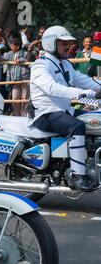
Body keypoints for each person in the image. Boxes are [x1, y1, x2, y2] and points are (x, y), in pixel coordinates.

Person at [30, 26, 100, 191]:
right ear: (51, 44)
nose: (68, 47)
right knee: (77, 126)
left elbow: (83, 79)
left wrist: (98, 88)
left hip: (67, 107)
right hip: (47, 111)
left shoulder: (65, 64)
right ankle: (78, 175)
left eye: (69, 43)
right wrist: (83, 94)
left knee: (98, 113)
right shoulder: (40, 66)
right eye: (64, 44)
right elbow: (52, 88)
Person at [2, 38, 30, 116]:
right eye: (11, 46)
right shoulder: (9, 54)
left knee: (24, 99)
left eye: (13, 46)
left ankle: (24, 116)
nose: (11, 47)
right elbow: (2, 58)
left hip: (24, 79)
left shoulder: (24, 53)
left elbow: (27, 58)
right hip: (14, 79)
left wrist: (20, 60)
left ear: (18, 47)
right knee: (15, 98)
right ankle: (17, 116)